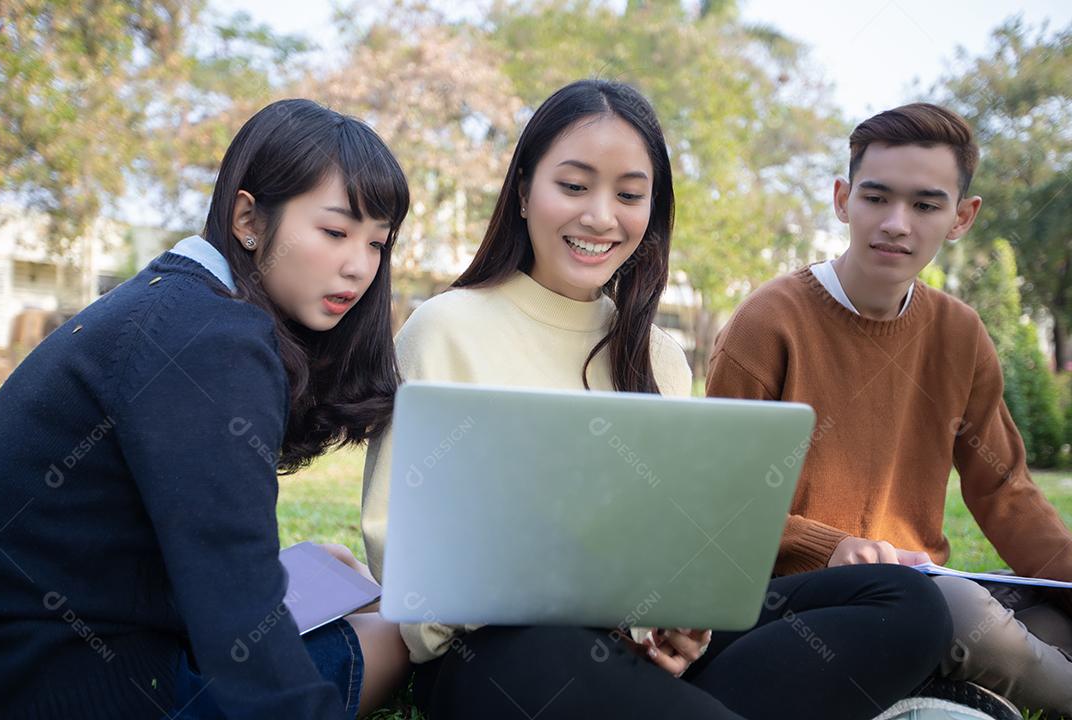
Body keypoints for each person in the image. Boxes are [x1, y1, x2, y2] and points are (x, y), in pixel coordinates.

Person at [360, 79, 952, 720]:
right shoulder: (447, 327)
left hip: (632, 652)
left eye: (629, 195)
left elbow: (676, 552)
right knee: (557, 653)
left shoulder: (660, 357)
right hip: (502, 654)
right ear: (525, 190)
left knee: (906, 602)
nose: (600, 217)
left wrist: (676, 624)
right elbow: (398, 544)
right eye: (574, 186)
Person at [0, 99, 410, 719]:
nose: (359, 267)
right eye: (334, 231)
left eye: (377, 243)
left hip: (43, 637)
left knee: (335, 568)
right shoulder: (213, 339)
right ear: (248, 217)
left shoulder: (169, 298)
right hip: (73, 682)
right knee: (398, 634)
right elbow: (232, 599)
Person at [705, 102, 1072, 717]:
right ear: (843, 198)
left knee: (1043, 617)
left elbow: (1005, 492)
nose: (896, 223)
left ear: (961, 217)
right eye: (877, 199)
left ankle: (942, 688)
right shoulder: (768, 323)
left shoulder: (960, 333)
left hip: (925, 588)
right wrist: (832, 547)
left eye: (926, 206)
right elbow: (717, 504)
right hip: (802, 601)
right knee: (964, 614)